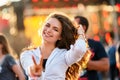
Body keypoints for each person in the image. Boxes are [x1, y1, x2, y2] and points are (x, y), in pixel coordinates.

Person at [20, 12, 87, 80]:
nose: (48, 30)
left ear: (60, 36)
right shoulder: (27, 54)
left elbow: (80, 49)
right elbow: (29, 68)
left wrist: (81, 34)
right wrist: (33, 70)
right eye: (47, 25)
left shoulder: (64, 55)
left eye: (55, 29)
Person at [74, 16, 109, 80]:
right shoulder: (68, 45)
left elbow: (106, 65)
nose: (71, 28)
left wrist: (85, 62)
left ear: (83, 28)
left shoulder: (96, 44)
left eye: (74, 25)